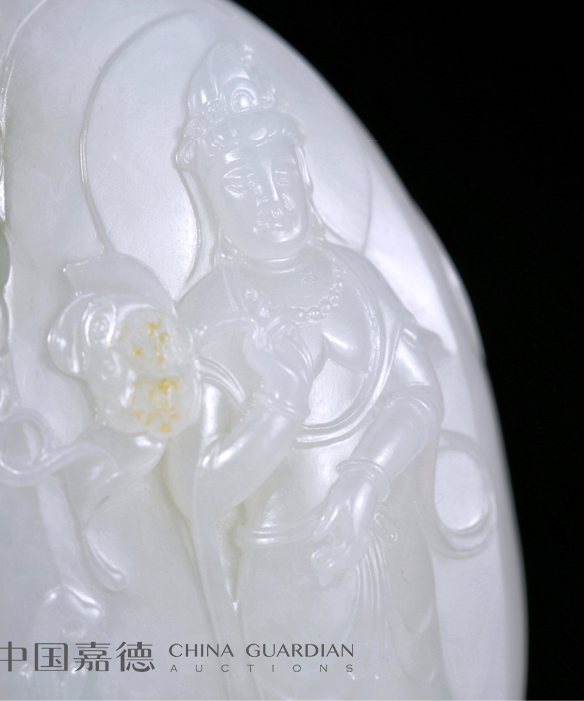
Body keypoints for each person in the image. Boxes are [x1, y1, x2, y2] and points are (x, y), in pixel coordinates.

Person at [167, 42, 450, 698]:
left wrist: (366, 477)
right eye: (242, 183)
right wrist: (280, 408)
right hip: (298, 582)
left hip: (393, 557)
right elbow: (197, 489)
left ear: (303, 173)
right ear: (210, 194)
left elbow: (418, 391)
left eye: (280, 172)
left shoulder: (354, 276)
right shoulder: (209, 314)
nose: (271, 198)